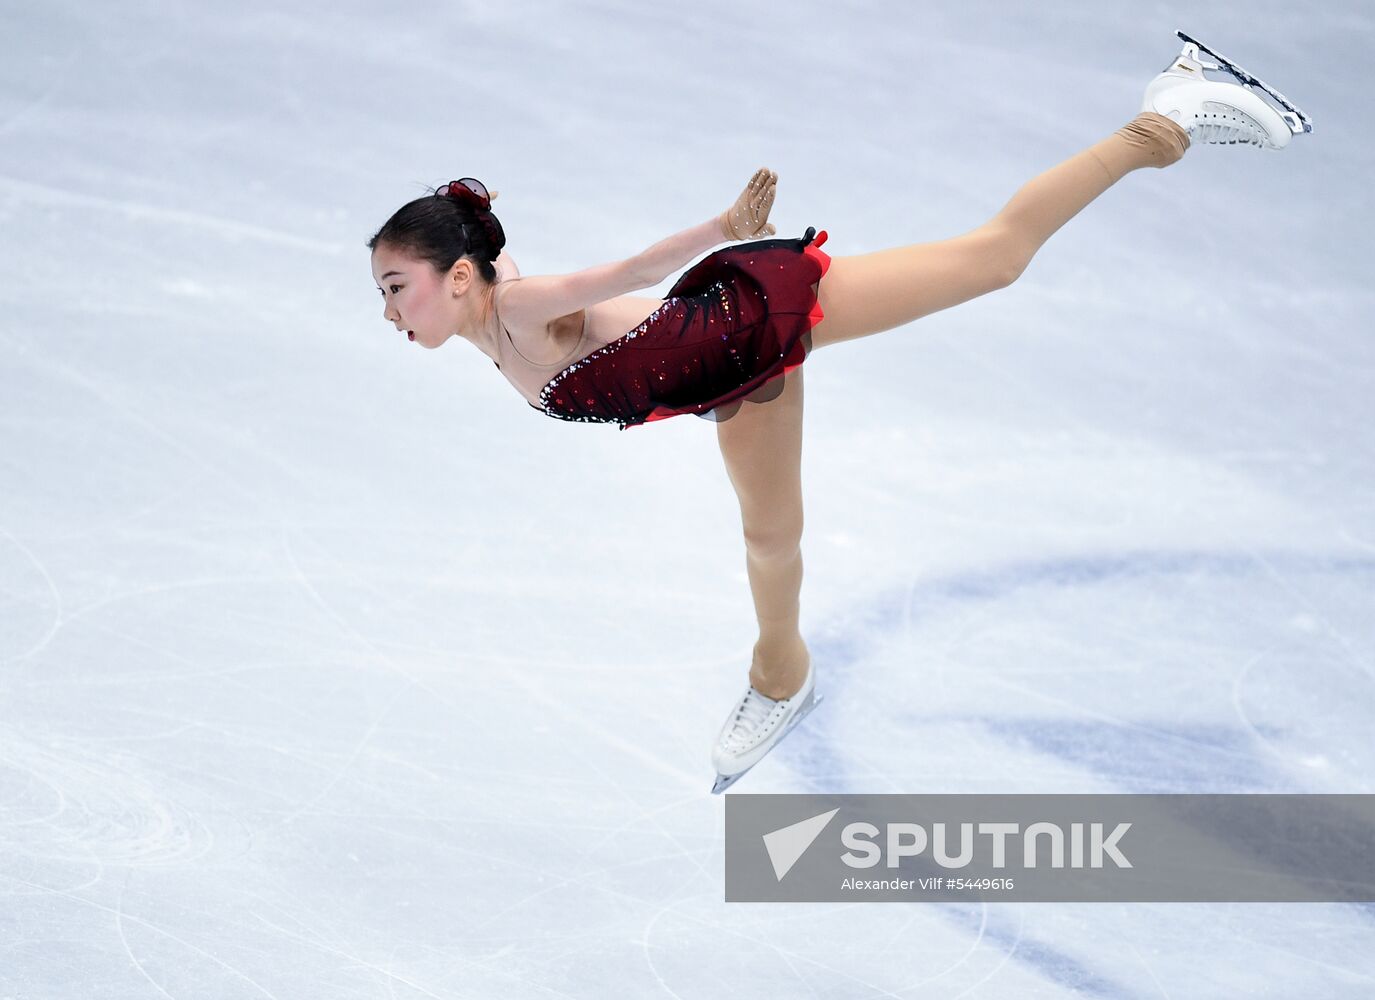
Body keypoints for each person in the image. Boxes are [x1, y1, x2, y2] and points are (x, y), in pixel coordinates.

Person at [367, 34, 1310, 793]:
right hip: (728, 372)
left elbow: (624, 275)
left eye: (396, 286)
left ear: (458, 279)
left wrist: (718, 232)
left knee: (993, 259)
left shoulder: (521, 310)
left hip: (754, 322)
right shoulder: (491, 320)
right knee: (772, 539)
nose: (388, 309)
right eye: (381, 291)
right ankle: (779, 674)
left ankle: (1168, 115)